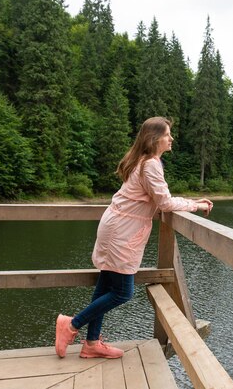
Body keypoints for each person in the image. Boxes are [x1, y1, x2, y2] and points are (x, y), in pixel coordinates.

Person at [55, 116, 213, 359]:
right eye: (167, 134)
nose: (171, 138)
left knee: (105, 287)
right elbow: (165, 202)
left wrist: (190, 201)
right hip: (122, 231)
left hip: (118, 226)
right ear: (154, 138)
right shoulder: (150, 164)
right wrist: (196, 204)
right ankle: (72, 325)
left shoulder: (145, 161)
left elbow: (157, 197)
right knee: (122, 292)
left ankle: (91, 343)